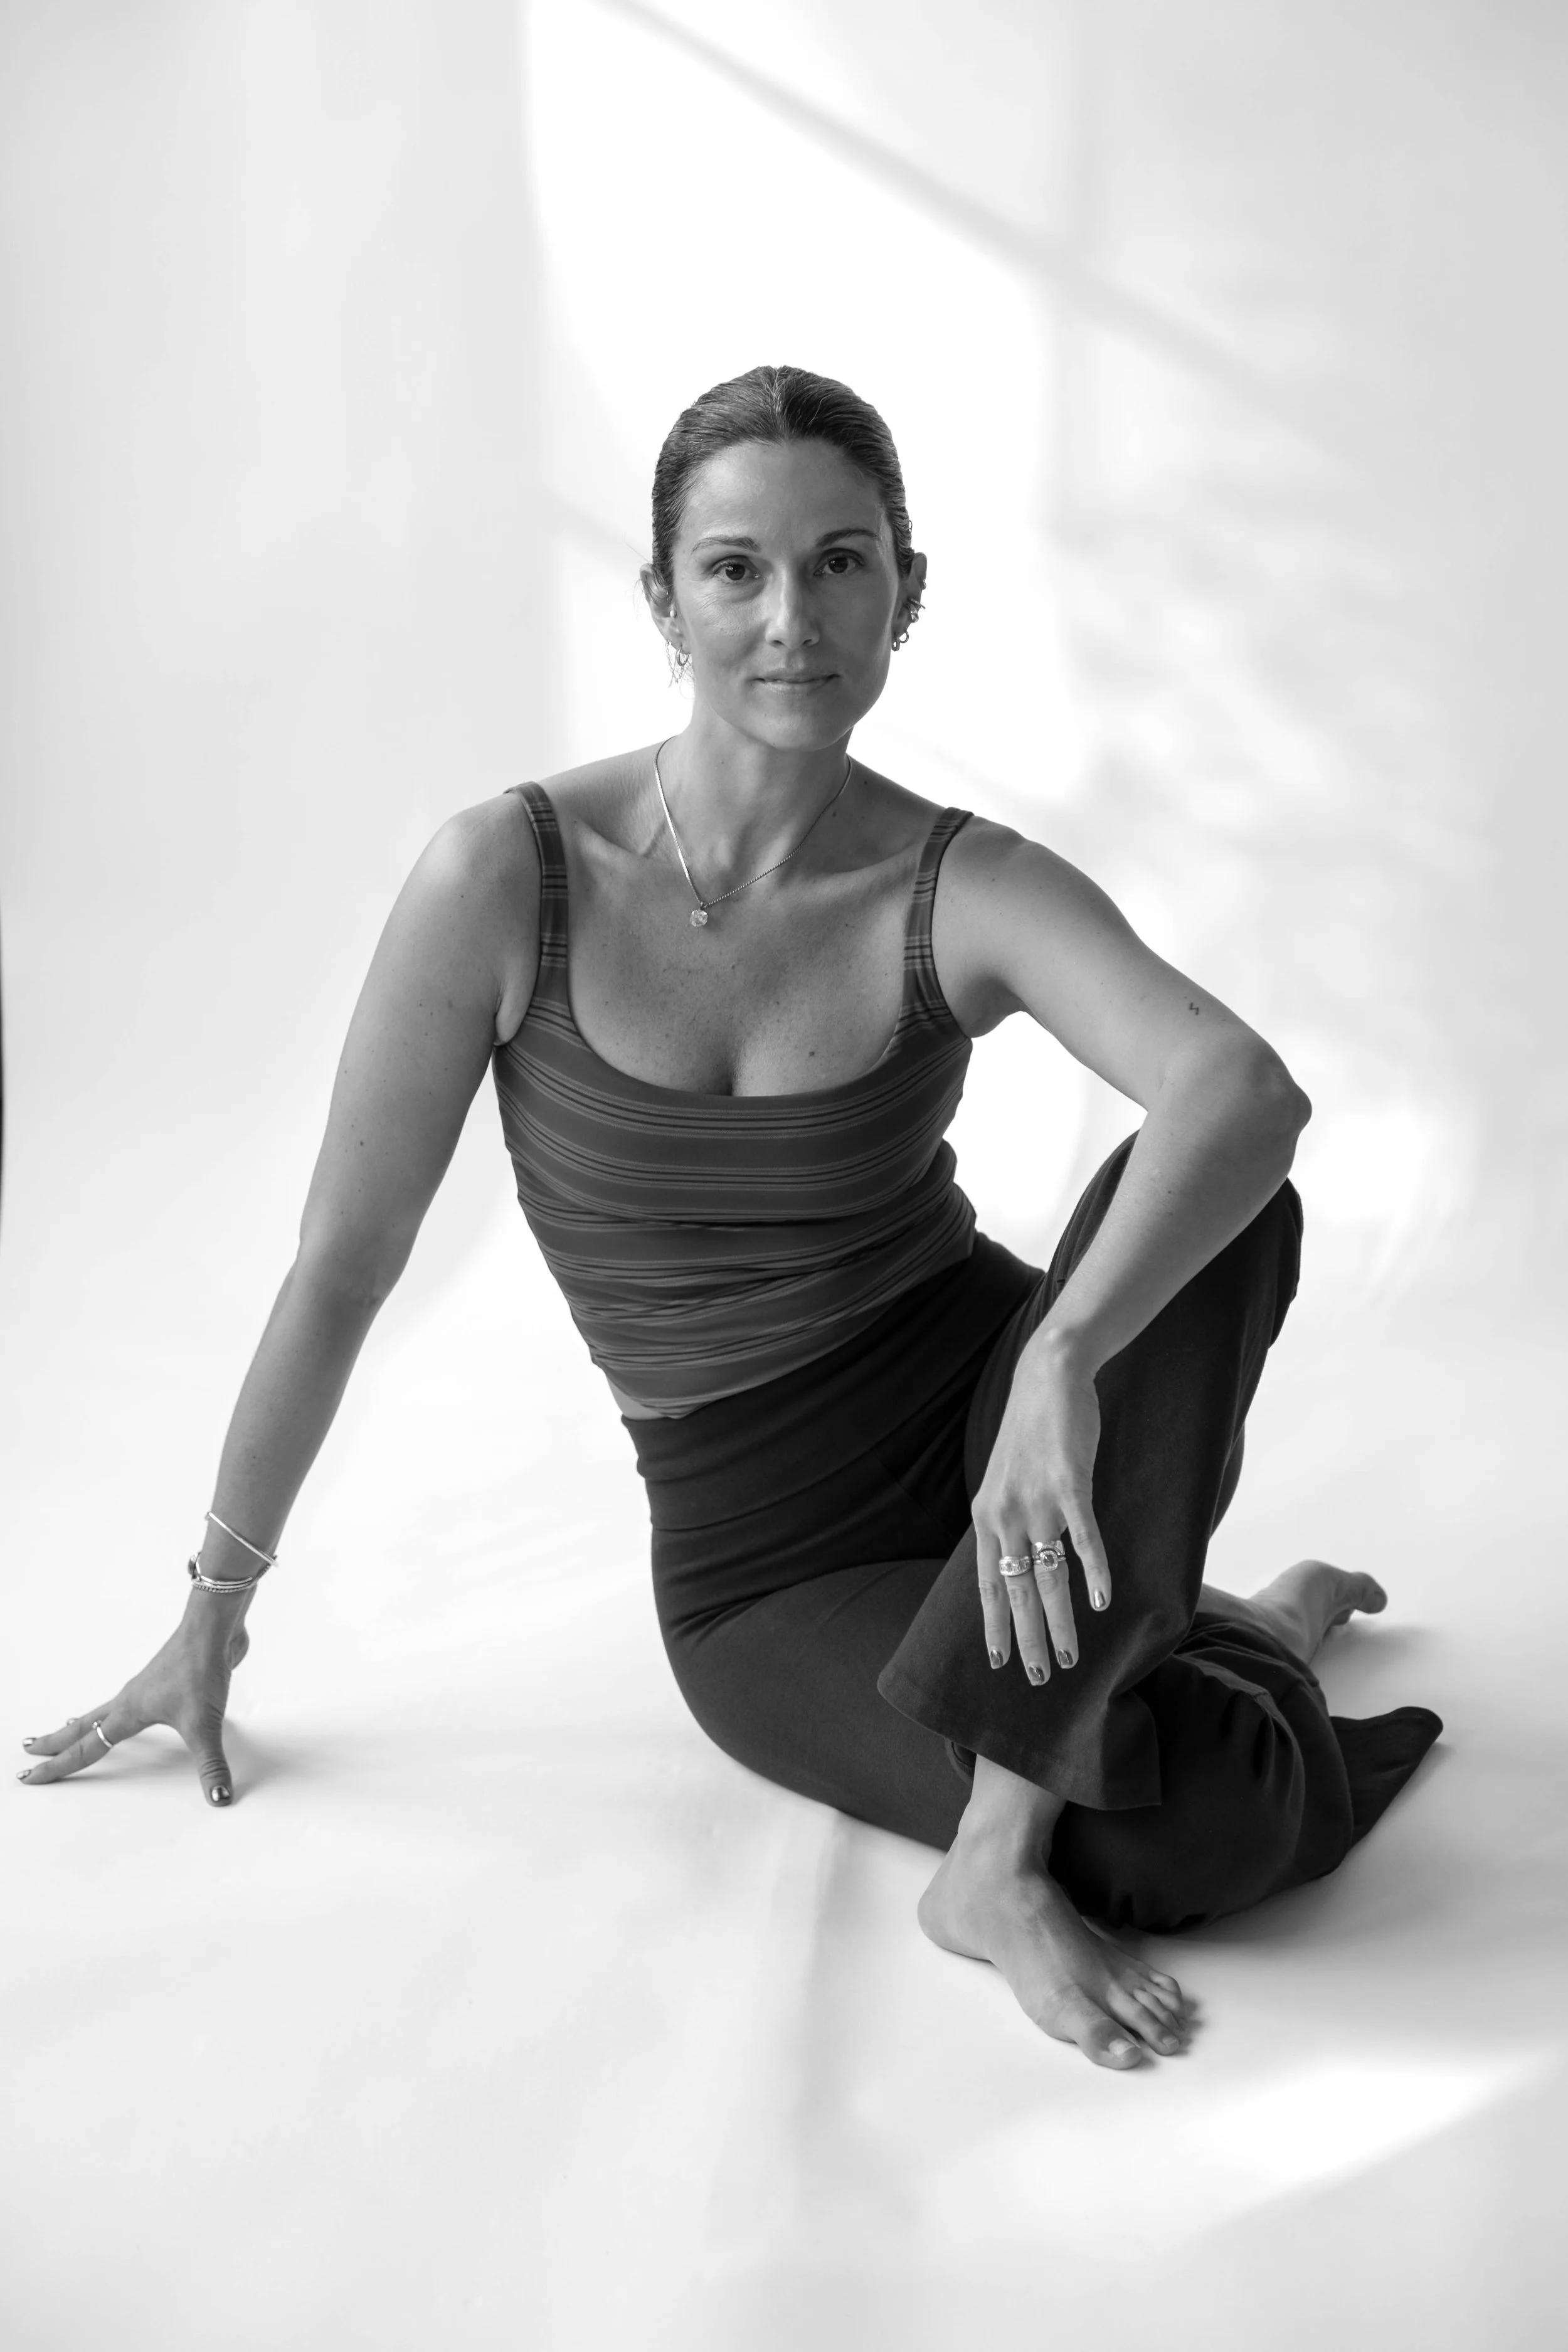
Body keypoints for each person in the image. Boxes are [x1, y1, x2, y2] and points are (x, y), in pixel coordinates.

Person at [18, 364, 1440, 2072]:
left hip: (995, 1422)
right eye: (735, 568)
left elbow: (1243, 1087)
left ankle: (993, 1858)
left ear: (903, 595)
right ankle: (1238, 1631)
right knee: (1188, 1829)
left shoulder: (955, 884)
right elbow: (342, 1262)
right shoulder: (504, 878)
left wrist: (1058, 1358)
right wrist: (212, 1603)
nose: (791, 617)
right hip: (770, 1554)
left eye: (843, 564)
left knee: (1219, 1196)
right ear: (663, 599)